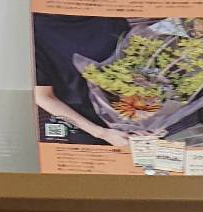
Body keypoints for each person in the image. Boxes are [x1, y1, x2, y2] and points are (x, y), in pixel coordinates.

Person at [32, 14, 136, 147]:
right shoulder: (34, 30)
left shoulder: (109, 16)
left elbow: (133, 67)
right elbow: (43, 96)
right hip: (76, 128)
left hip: (127, 120)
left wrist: (143, 116)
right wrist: (102, 133)